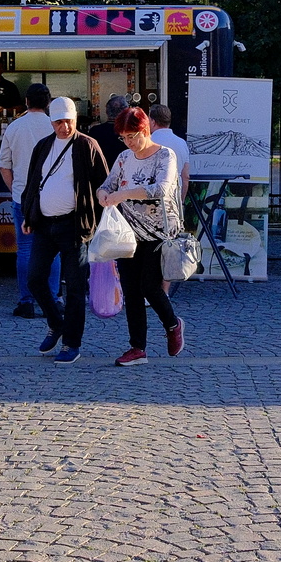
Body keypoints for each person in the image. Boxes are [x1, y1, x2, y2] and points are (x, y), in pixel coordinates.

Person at [21, 97, 109, 363]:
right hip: (45, 224)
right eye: (58, 122)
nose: (64, 127)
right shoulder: (43, 145)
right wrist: (29, 215)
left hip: (75, 226)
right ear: (51, 122)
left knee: (74, 287)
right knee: (34, 278)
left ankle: (71, 343)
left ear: (75, 120)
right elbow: (33, 182)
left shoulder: (87, 145)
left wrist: (101, 224)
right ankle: (56, 322)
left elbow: (103, 185)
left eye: (68, 121)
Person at [100, 107, 188, 366]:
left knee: (150, 286)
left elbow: (160, 188)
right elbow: (108, 185)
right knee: (131, 291)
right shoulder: (124, 158)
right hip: (128, 234)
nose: (129, 142)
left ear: (145, 130)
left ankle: (172, 325)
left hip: (159, 232)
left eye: (132, 136)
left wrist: (124, 194)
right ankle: (137, 347)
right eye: (124, 137)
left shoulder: (166, 155)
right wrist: (103, 195)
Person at [0, 83, 58, 318]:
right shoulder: (56, 127)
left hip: (23, 197)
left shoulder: (14, 127)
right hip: (53, 196)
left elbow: (4, 165)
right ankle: (53, 298)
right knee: (55, 250)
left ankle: (27, 301)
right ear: (48, 103)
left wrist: (15, 190)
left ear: (26, 101)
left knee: (24, 249)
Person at [147, 103, 194, 295]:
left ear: (152, 120)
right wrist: (181, 200)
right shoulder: (181, 143)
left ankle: (149, 288)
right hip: (173, 203)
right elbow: (186, 176)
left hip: (150, 202)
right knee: (169, 247)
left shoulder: (148, 141)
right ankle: (164, 290)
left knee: (150, 247)